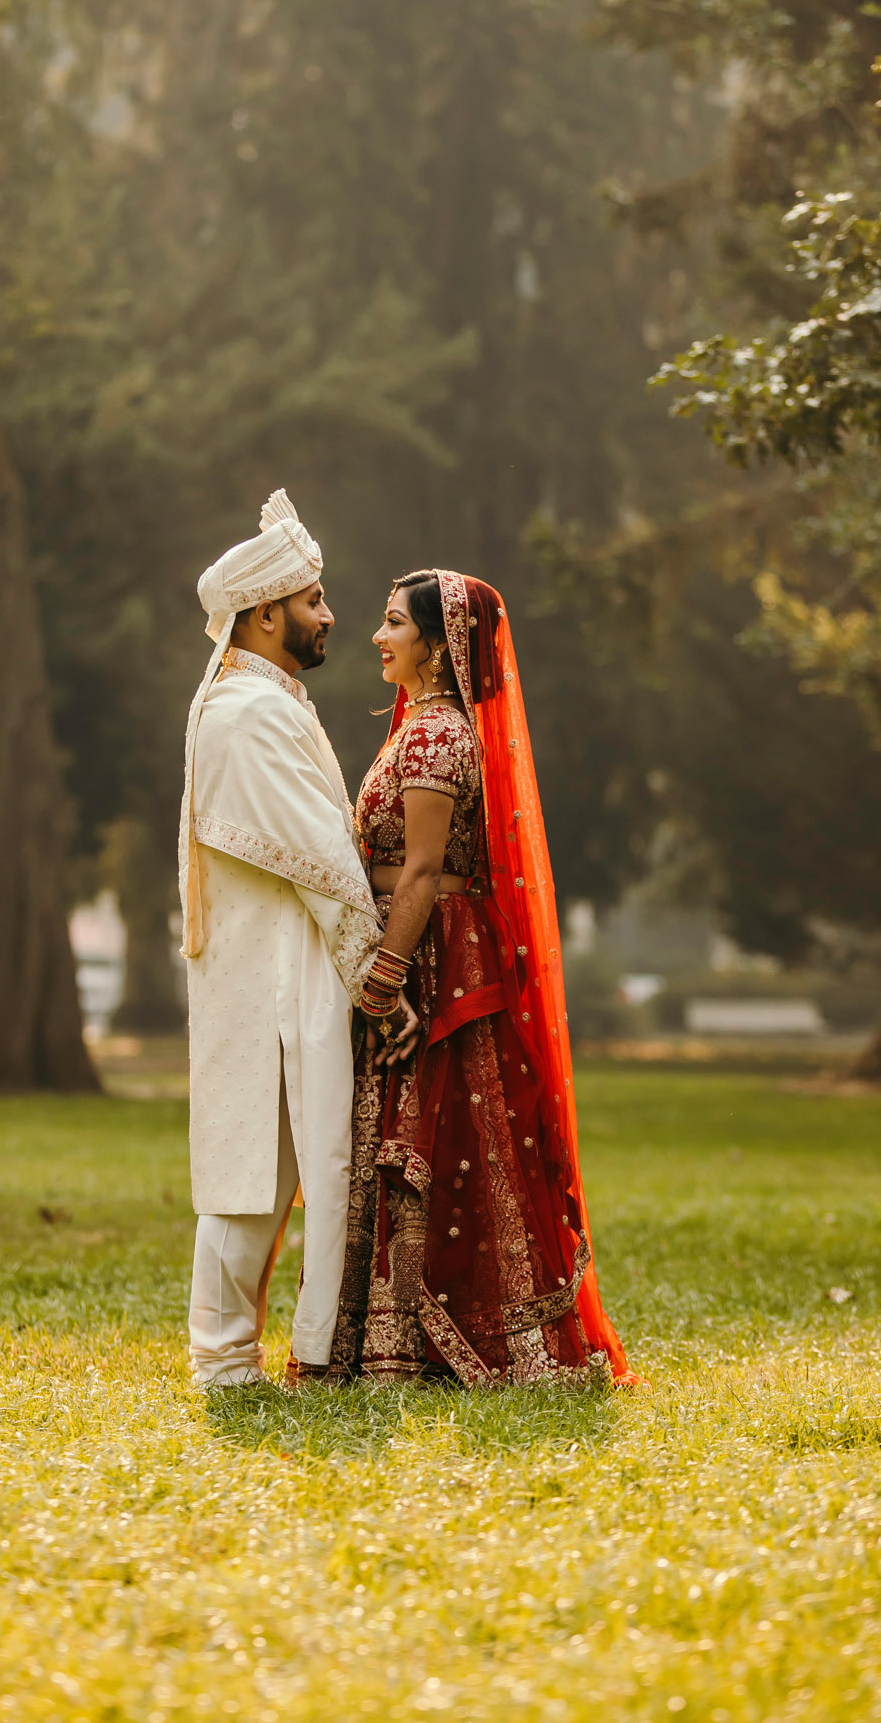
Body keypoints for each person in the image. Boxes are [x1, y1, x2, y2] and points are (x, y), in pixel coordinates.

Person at [328, 567, 629, 1385]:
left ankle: (445, 1341)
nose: (377, 637)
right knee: (439, 1132)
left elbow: (422, 871)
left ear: (436, 644)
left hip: (432, 953)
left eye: (392, 623)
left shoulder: (433, 737)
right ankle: (408, 1341)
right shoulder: (422, 727)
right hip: (427, 945)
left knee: (440, 1134)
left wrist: (385, 979)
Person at [179, 489, 380, 1386]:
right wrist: (380, 970)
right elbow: (325, 860)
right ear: (265, 617)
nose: (329, 615)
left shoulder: (264, 698)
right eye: (313, 601)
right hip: (274, 973)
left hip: (281, 964)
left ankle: (298, 1349)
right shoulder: (248, 713)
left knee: (281, 1160)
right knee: (248, 1165)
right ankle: (223, 1362)